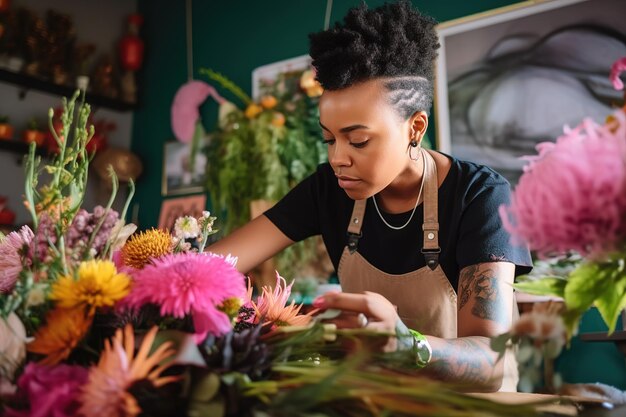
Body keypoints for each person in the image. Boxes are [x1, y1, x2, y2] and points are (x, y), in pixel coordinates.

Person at [208, 0, 532, 392]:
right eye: (329, 138)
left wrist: (408, 345)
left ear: (414, 128)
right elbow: (214, 266)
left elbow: (491, 361)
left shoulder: (480, 196)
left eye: (358, 140)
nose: (337, 158)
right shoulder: (329, 188)